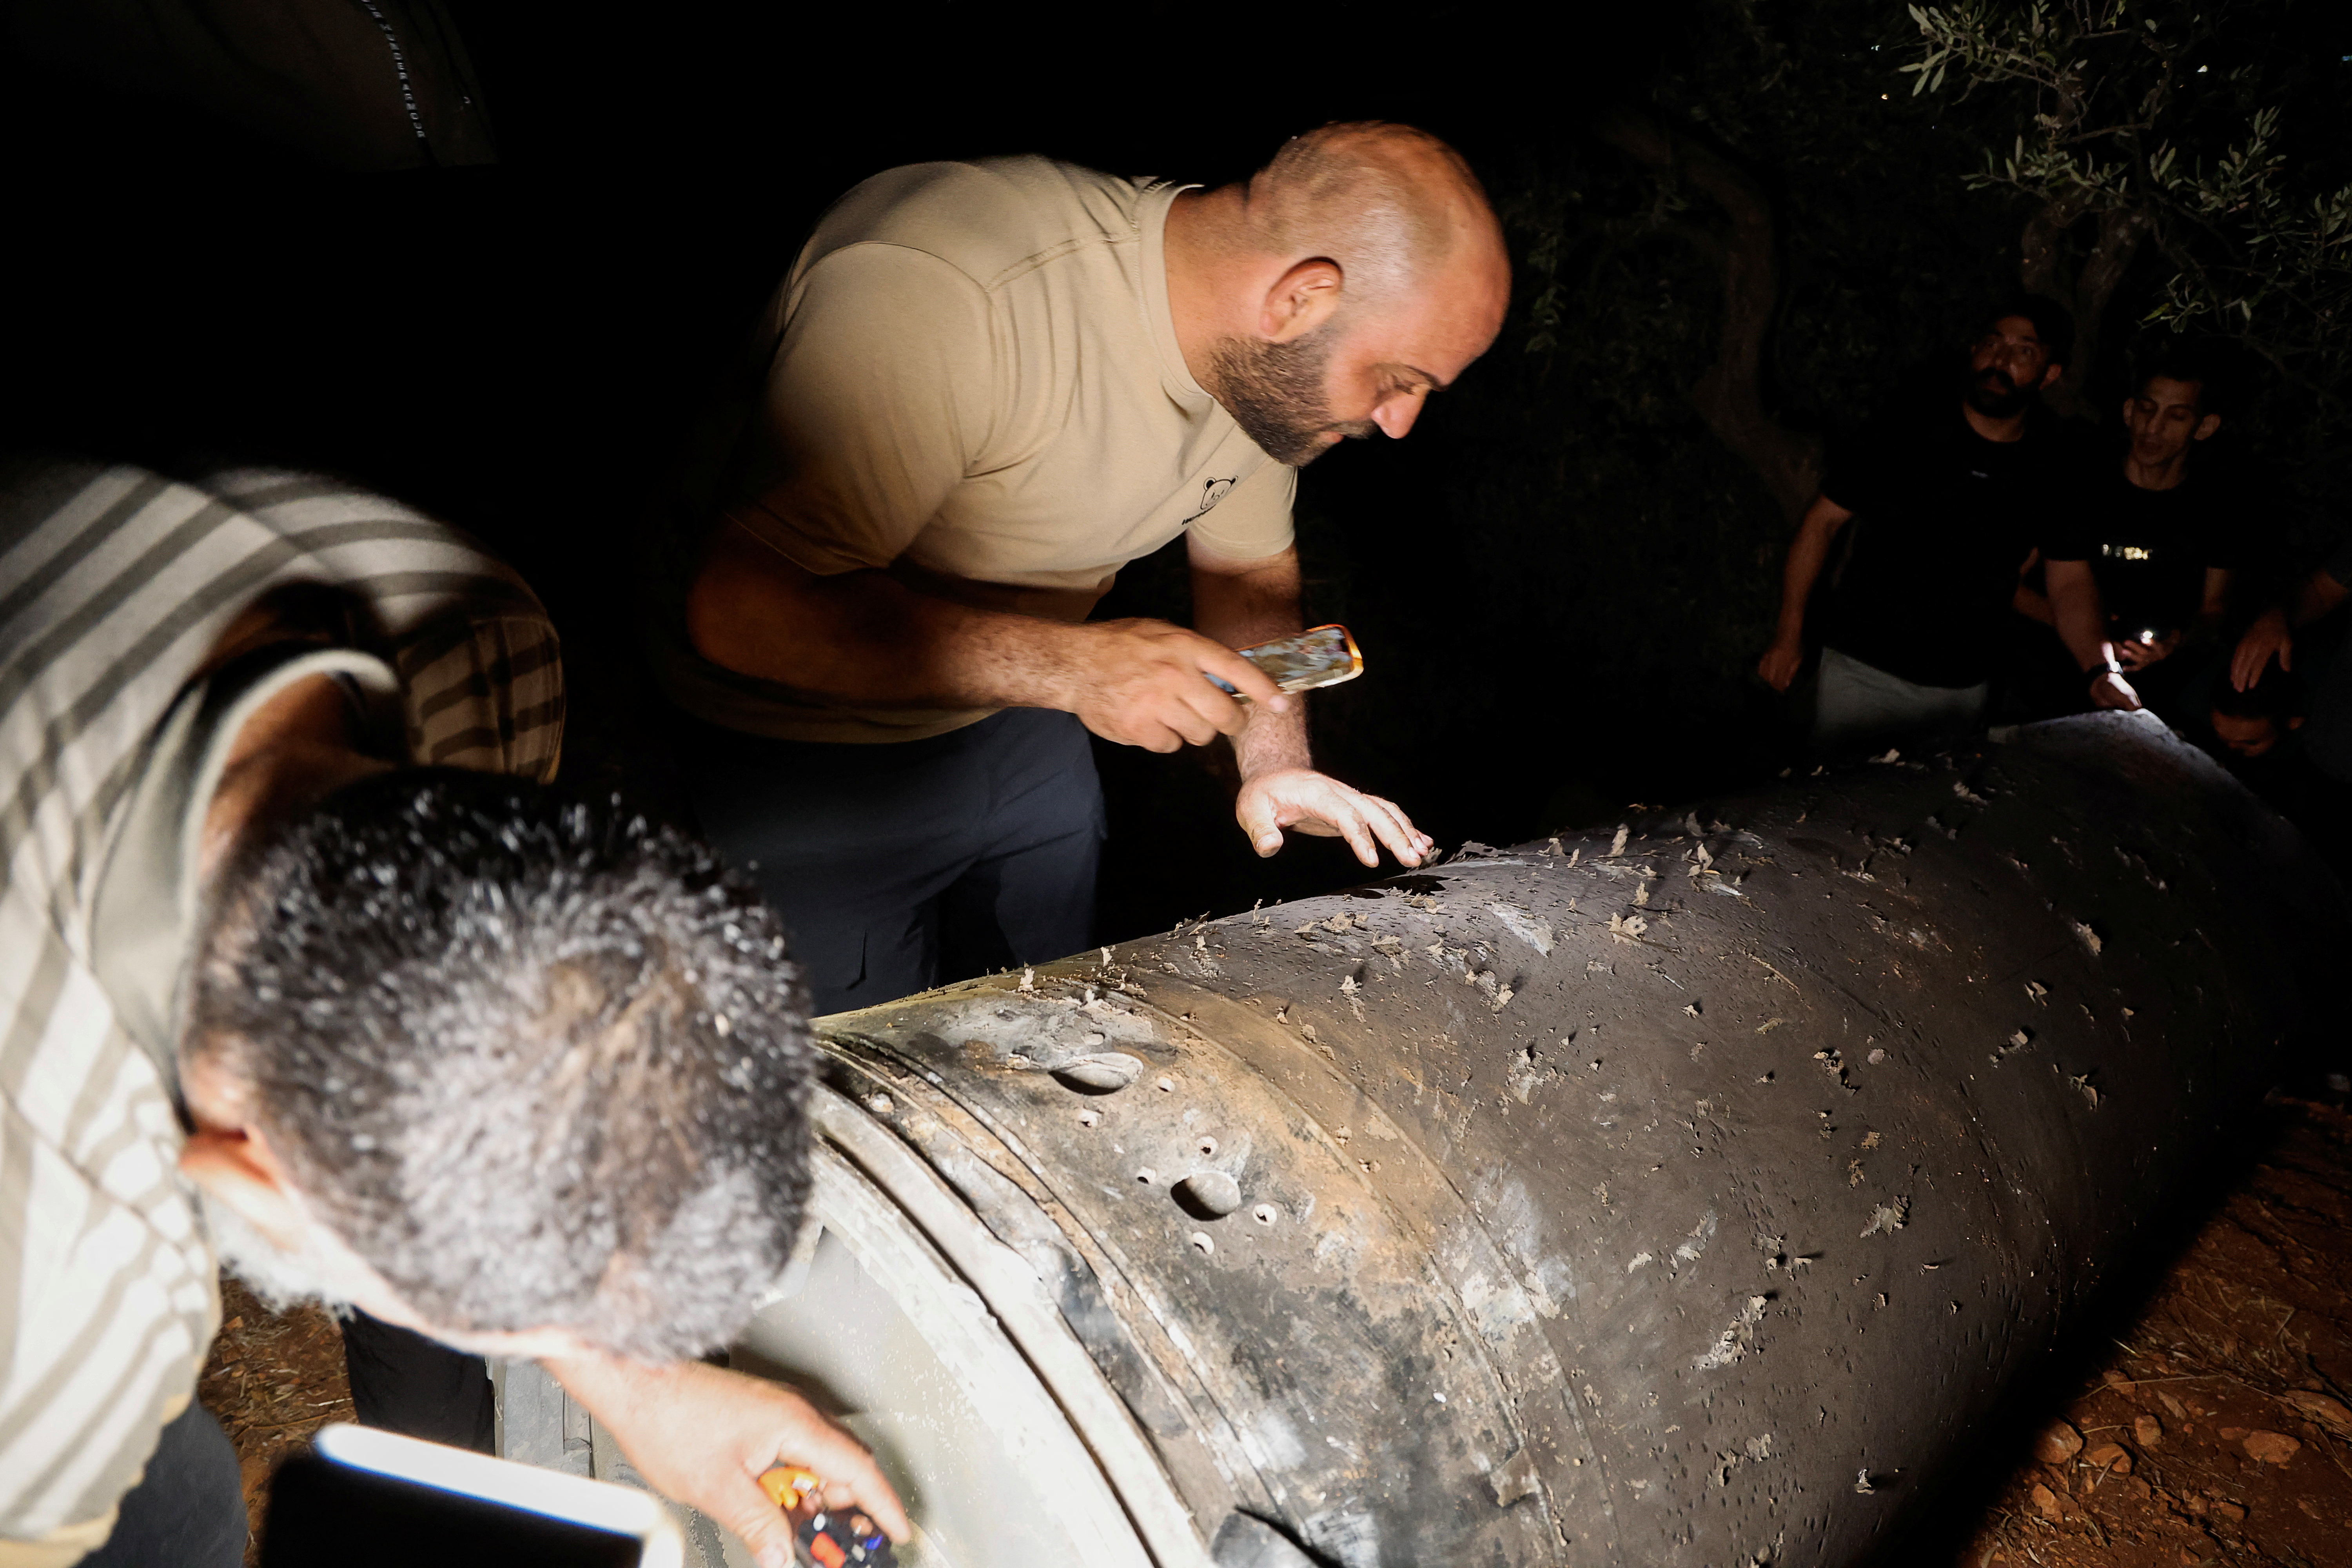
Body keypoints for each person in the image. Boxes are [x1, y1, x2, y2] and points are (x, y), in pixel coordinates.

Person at [0, 459, 904, 1568]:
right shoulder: (57, 1317)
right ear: (248, 1178)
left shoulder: (475, 641)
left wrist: (649, 1392)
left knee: (182, 1495)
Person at [653, 123, 1510, 1014]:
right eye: (1398, 378)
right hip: (806, 751)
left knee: (1048, 1010)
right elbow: (743, 610)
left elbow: (1247, 576)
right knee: (865, 1057)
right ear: (1300, 298)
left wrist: (1270, 760)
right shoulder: (950, 287)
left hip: (1028, 720)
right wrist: (1078, 668)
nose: (1400, 423)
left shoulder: (1261, 375)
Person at [1756, 297, 2138, 752]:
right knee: (1846, 789)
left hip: (1964, 685)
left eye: (2023, 352)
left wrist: (2102, 671)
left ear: (2049, 373)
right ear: (1974, 351)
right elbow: (1822, 522)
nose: (2000, 361)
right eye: (1992, 344)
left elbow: (2069, 580)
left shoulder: (2053, 463)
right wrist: (1788, 635)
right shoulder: (1908, 427)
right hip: (1865, 666)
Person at [2032, 339, 2238, 722]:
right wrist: (2097, 646)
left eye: (2177, 416)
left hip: (2160, 690)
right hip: (2058, 675)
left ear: (2205, 426)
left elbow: (2215, 609)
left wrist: (2177, 641)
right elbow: (2059, 584)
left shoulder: (2217, 504)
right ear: (2129, 411)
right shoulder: (2081, 483)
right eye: (2147, 409)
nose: (2154, 428)